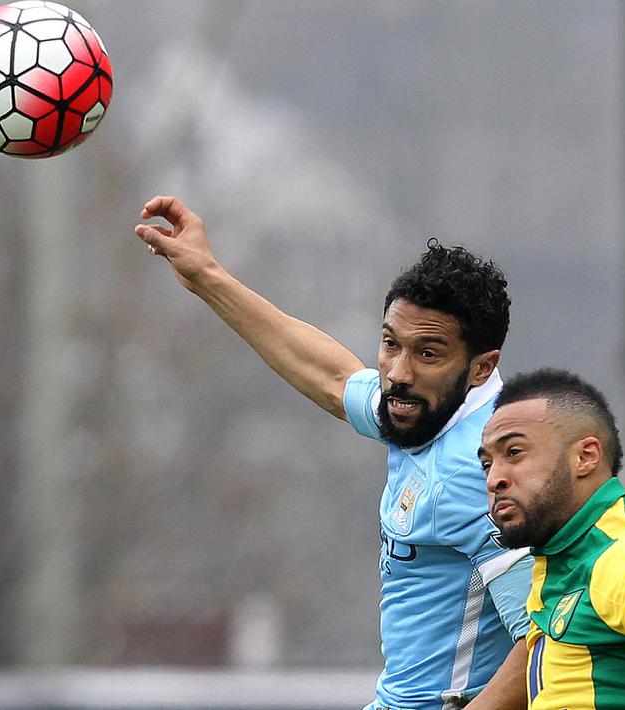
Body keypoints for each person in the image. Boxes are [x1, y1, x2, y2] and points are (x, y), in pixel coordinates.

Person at [135, 195, 534, 709]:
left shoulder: (484, 472)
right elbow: (333, 377)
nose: (398, 373)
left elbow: (543, 639)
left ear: (481, 366)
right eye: (391, 343)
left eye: (427, 354)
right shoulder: (421, 408)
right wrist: (208, 275)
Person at [477, 368, 625, 710]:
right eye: (487, 464)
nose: (494, 479)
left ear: (585, 456)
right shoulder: (562, 555)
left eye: (514, 452)